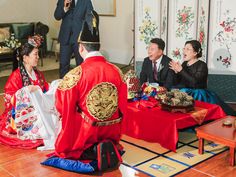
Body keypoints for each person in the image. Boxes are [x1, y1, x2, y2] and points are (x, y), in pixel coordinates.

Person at [54, 10, 127, 171]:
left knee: (70, 112)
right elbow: (122, 106)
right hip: (110, 130)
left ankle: (88, 149)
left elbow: (62, 107)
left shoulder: (75, 75)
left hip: (87, 133)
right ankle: (106, 145)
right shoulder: (117, 71)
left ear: (81, 48)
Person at [0, 35, 60, 149]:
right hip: (23, 113)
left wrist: (54, 85)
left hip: (38, 108)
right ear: (25, 58)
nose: (37, 57)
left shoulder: (38, 74)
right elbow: (9, 98)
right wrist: (25, 91)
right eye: (35, 54)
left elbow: (44, 89)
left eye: (38, 54)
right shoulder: (16, 76)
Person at [169, 40, 236, 115]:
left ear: (195, 53)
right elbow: (178, 82)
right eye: (184, 48)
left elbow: (195, 83)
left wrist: (181, 70)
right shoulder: (184, 64)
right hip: (186, 92)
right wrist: (176, 72)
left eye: (188, 49)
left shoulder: (202, 65)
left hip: (199, 93)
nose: (184, 51)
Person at [54, 0, 93, 78]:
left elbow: (90, 18)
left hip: (79, 38)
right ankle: (63, 87)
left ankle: (81, 86)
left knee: (81, 65)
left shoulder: (86, 1)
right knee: (63, 64)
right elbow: (57, 16)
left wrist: (87, 36)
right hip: (65, 38)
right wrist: (64, 7)